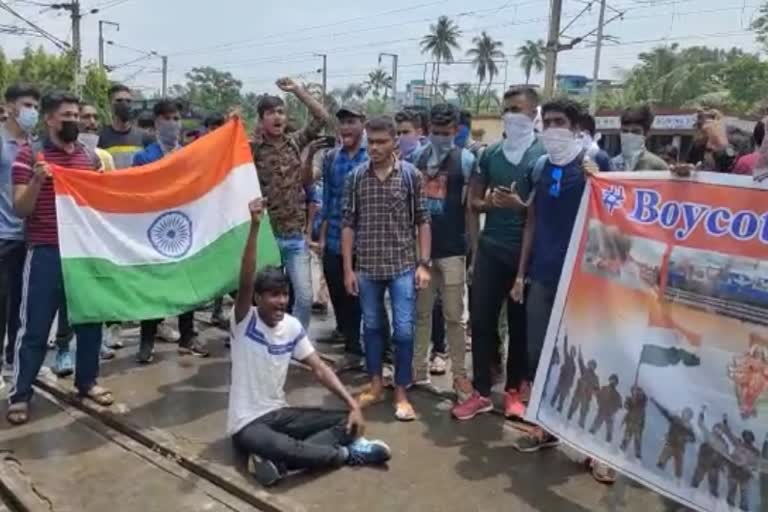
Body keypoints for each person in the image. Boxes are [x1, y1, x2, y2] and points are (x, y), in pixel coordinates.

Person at [229, 198, 391, 487]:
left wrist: (352, 402)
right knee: (283, 445)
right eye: (273, 295)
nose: (281, 301)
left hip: (279, 413)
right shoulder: (245, 321)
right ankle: (345, 455)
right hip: (248, 424)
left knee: (345, 421)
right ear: (257, 298)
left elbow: (319, 368)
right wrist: (255, 228)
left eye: (284, 294)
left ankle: (281, 464)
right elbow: (245, 276)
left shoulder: (291, 327)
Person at [9, 90, 113, 425]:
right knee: (36, 328)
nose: (74, 121)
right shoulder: (31, 154)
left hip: (83, 254)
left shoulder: (89, 157)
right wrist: (38, 180)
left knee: (89, 322)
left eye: (76, 116)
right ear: (50, 119)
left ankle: (87, 382)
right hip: (46, 253)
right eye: (66, 116)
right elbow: (20, 207)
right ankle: (21, 393)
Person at [453, 86, 545, 421]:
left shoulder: (544, 154)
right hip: (491, 249)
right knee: (480, 321)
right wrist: (487, 210)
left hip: (526, 255)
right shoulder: (489, 155)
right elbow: (472, 204)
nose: (510, 115)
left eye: (517, 109)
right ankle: (480, 391)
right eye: (506, 109)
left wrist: (522, 207)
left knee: (519, 325)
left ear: (534, 114)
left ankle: (513, 392)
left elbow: (547, 209)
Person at [342, 116, 431, 421]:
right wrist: (348, 270)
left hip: (402, 267)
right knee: (373, 328)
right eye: (372, 142)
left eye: (381, 141)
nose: (375, 147)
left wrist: (423, 264)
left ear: (395, 141)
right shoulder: (355, 177)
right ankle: (376, 384)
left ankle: (402, 392)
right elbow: (348, 225)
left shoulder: (411, 176)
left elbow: (422, 220)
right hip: (366, 268)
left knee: (404, 331)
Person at [132, 99, 209, 363]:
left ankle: (188, 336)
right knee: (155, 288)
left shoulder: (188, 154)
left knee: (187, 285)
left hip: (185, 228)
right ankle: (147, 340)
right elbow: (137, 193)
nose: (173, 124)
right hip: (155, 230)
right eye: (168, 119)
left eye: (177, 118)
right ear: (156, 123)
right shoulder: (144, 157)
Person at [251, 78, 330, 331]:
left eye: (281, 112)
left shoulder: (295, 142)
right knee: (265, 299)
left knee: (304, 298)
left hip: (294, 237)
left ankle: (295, 342)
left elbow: (322, 118)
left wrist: (297, 91)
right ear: (261, 119)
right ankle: (265, 339)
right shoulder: (252, 150)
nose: (277, 117)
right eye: (271, 113)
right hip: (267, 237)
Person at [412, 103, 474, 394]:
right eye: (435, 131)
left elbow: (471, 210)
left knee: (454, 317)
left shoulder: (466, 161)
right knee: (421, 314)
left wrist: (471, 251)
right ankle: (417, 372)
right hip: (422, 253)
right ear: (428, 130)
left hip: (453, 251)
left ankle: (459, 378)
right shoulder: (417, 158)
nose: (440, 136)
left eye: (446, 132)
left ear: (456, 131)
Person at [319, 104, 366, 356]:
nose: (346, 127)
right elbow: (327, 200)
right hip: (335, 236)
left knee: (357, 294)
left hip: (364, 241)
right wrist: (323, 237)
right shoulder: (331, 159)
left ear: (362, 124)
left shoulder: (371, 156)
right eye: (343, 122)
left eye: (352, 121)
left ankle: (356, 345)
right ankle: (347, 334)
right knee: (337, 289)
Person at [0, 84, 40, 380]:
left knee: (22, 308)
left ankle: (14, 362)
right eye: (27, 104)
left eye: (36, 106)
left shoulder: (36, 146)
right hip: (2, 235)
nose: (32, 111)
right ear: (10, 106)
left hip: (29, 238)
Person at [98, 84, 145, 169]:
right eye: (119, 101)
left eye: (128, 101)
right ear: (109, 105)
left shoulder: (145, 137)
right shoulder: (99, 137)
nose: (124, 104)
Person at [611, 105, 668, 172]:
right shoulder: (612, 164)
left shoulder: (658, 166)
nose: (629, 136)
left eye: (635, 132)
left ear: (646, 134)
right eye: (625, 131)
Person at [652, 398, 696, 481]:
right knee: (664, 456)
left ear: (690, 417)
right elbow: (665, 413)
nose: (686, 416)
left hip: (679, 448)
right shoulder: (676, 419)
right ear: (682, 414)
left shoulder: (689, 427)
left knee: (678, 463)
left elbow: (693, 439)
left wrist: (687, 438)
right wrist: (655, 403)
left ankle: (677, 479)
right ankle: (658, 472)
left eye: (688, 415)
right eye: (685, 414)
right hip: (670, 443)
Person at [691, 409, 728, 499]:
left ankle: (713, 492)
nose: (718, 431)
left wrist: (723, 467)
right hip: (704, 460)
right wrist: (702, 412)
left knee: (713, 477)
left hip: (714, 464)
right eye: (716, 429)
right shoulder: (709, 434)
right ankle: (693, 486)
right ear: (713, 429)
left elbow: (725, 455)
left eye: (720, 430)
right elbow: (700, 424)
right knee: (699, 473)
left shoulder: (723, 443)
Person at [79, 103, 115, 172]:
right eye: (86, 117)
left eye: (96, 118)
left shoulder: (105, 157)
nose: (92, 122)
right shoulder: (65, 154)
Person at [589, 374, 622, 443]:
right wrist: (594, 391)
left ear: (616, 383)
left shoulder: (617, 394)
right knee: (594, 427)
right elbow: (598, 396)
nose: (612, 382)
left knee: (609, 432)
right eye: (612, 380)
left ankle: (607, 445)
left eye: (614, 381)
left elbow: (619, 405)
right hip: (601, 412)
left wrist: (612, 411)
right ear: (609, 380)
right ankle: (588, 439)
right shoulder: (604, 388)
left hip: (609, 415)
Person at [620, 385, 648, 459]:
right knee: (626, 437)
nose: (637, 393)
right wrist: (628, 402)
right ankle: (621, 451)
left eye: (638, 391)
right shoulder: (631, 399)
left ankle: (637, 457)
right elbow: (626, 407)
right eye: (635, 391)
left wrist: (634, 399)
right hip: (630, 422)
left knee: (637, 441)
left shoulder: (642, 402)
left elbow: (642, 404)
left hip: (638, 425)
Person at [550, 335, 576, 412]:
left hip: (566, 384)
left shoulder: (574, 365)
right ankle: (551, 404)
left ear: (574, 354)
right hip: (561, 379)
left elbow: (573, 377)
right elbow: (565, 348)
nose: (572, 353)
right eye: (571, 351)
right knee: (556, 393)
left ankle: (559, 409)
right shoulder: (567, 357)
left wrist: (570, 386)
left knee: (562, 397)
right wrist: (566, 337)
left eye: (573, 352)